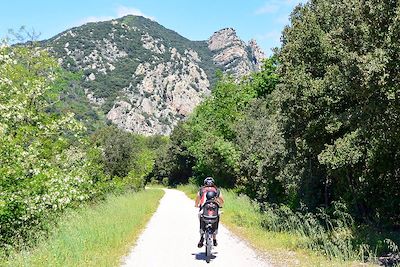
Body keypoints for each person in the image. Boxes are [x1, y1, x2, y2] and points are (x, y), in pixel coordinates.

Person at [195, 176, 224, 248]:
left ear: (205, 183)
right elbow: (222, 201)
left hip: (204, 209)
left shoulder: (201, 190)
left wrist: (196, 205)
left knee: (200, 217)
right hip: (214, 210)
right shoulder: (217, 190)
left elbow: (197, 198)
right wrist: (219, 204)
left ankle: (201, 237)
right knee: (217, 218)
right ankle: (214, 238)